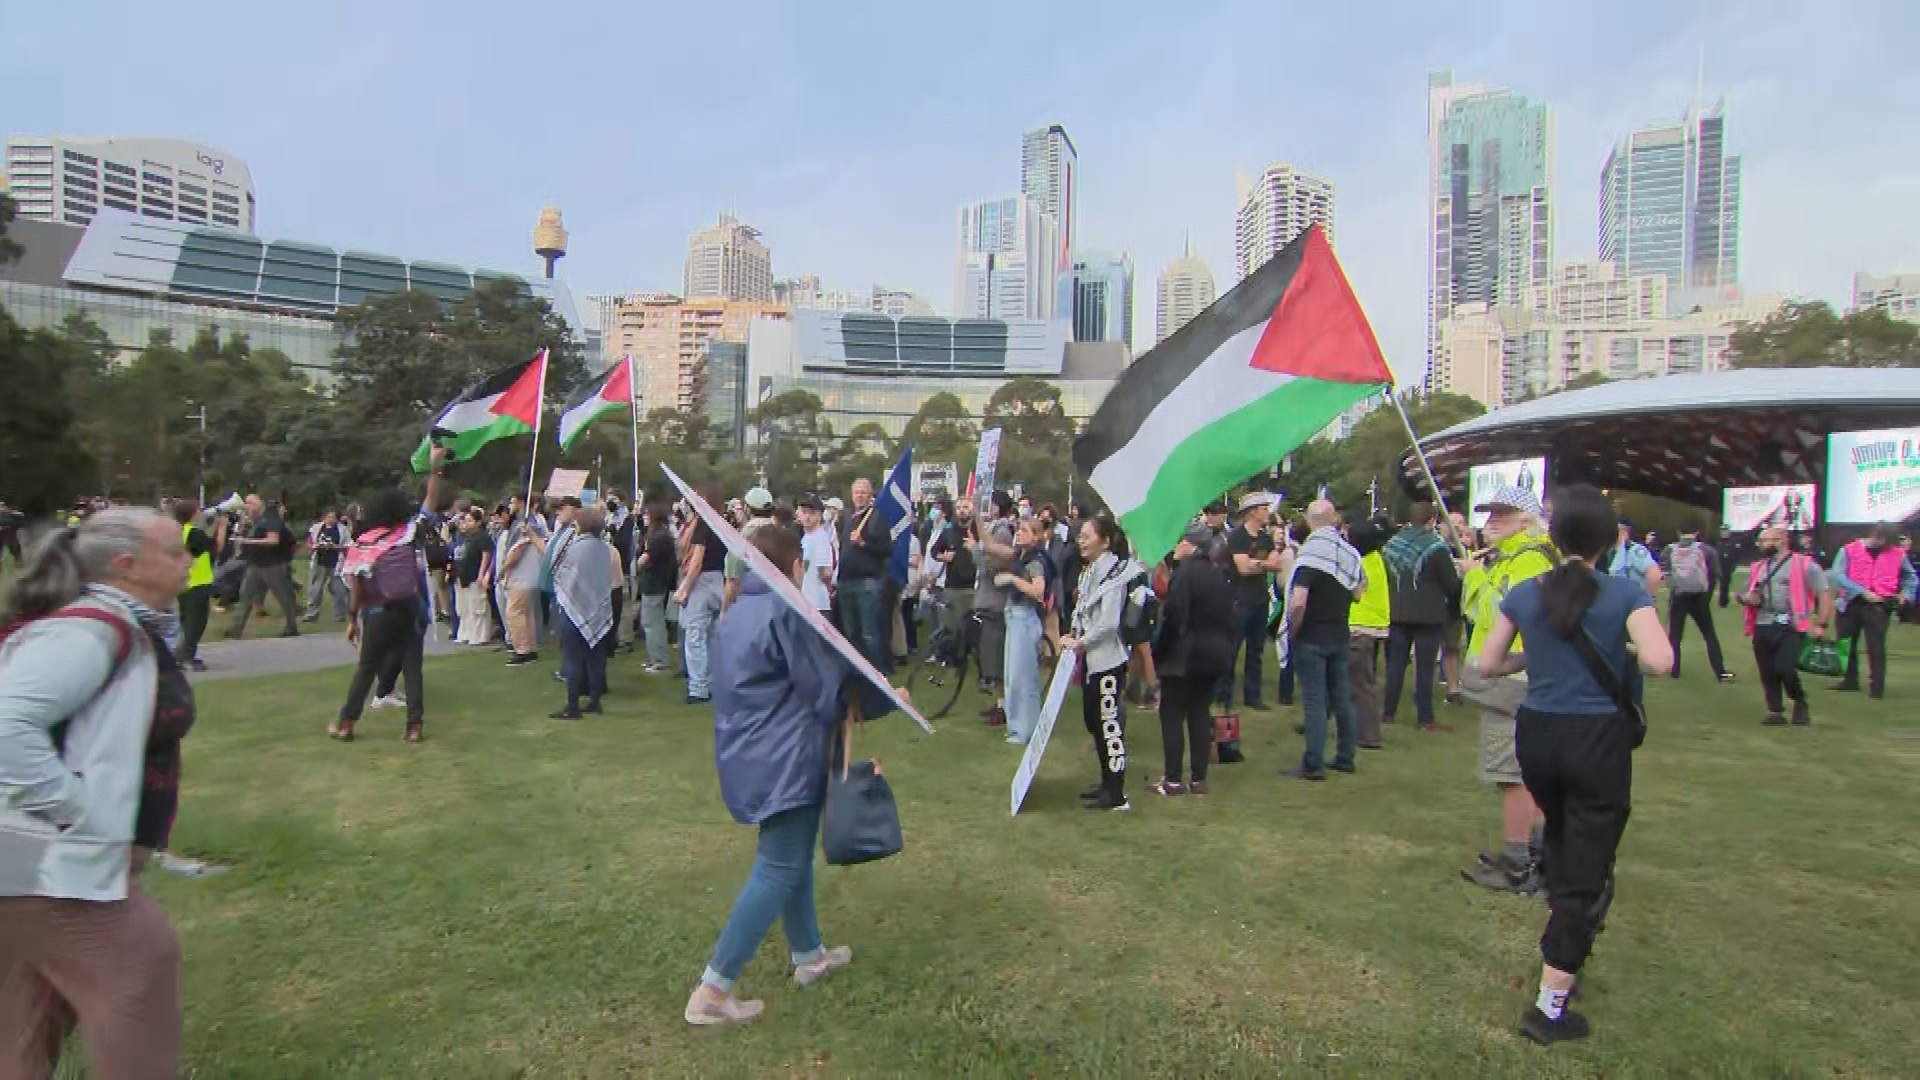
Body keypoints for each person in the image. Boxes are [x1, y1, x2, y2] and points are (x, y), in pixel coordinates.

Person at [1475, 484, 1675, 1045]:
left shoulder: (1525, 591)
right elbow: (1661, 660)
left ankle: (1566, 942)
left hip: (1538, 733)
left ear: (1555, 536)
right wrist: (1624, 647)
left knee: (1565, 835)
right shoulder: (1623, 593)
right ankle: (1551, 1002)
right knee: (1588, 864)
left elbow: (1488, 664)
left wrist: (1533, 652)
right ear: (1610, 540)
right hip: (1595, 739)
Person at [0, 507, 194, 1079]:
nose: (189, 562)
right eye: (175, 552)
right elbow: (7, 725)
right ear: (126, 565)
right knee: (143, 967)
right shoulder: (89, 630)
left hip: (38, 865)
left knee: (25, 1023)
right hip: (50, 866)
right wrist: (81, 813)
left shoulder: (119, 625)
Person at [684, 524, 896, 1028]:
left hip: (753, 753)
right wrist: (882, 696)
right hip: (785, 757)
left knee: (791, 857)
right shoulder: (785, 610)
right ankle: (714, 990)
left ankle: (809, 955)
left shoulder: (738, 611)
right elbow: (821, 692)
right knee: (779, 866)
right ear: (792, 565)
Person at [1459, 486, 1558, 894]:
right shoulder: (1520, 557)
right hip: (1513, 675)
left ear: (1526, 520)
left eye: (1502, 514)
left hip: (1512, 678)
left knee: (1511, 773)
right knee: (1521, 770)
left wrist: (1476, 575)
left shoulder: (1529, 559)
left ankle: (1520, 861)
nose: (1490, 522)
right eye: (1489, 513)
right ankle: (1537, 852)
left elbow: (1503, 609)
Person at [331, 490, 432, 743]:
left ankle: (346, 723)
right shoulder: (408, 534)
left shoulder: (362, 543)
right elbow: (430, 504)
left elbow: (356, 588)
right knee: (412, 669)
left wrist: (353, 620)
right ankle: (414, 727)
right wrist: (435, 468)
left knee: (366, 667)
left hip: (377, 611)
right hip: (409, 608)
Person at [1150, 525, 1236, 796]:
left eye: (1180, 541)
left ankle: (1173, 780)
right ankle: (1199, 779)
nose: (1176, 547)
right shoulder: (1218, 574)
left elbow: (1174, 616)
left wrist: (1159, 649)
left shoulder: (1185, 573)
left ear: (1191, 545)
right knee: (1200, 712)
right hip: (1214, 654)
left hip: (1184, 654)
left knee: (1172, 714)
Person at [1283, 500, 1365, 781]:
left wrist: (1292, 630)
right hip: (1339, 634)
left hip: (1312, 637)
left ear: (1308, 521)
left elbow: (1298, 602)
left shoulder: (1309, 555)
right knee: (1342, 698)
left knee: (1315, 702)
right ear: (1334, 519)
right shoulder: (1348, 553)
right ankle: (1345, 756)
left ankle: (1313, 763)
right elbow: (1358, 591)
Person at [1062, 515, 1134, 811]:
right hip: (1093, 662)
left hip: (1108, 661)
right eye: (1080, 535)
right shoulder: (1090, 572)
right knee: (1094, 721)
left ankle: (1116, 792)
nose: (1081, 540)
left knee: (1108, 724)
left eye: (1087, 535)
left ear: (1104, 541)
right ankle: (1106, 781)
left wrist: (1081, 642)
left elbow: (1107, 623)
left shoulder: (1114, 574)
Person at [1740, 525, 1834, 726]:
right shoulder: (1758, 567)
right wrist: (1747, 598)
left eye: (1767, 540)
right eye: (1761, 541)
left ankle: (1799, 700)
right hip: (1763, 624)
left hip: (1792, 625)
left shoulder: (1805, 565)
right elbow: (1742, 593)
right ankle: (1775, 710)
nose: (1762, 545)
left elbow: (1824, 593)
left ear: (1782, 539)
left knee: (1785, 667)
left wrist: (1822, 624)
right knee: (1767, 670)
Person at [1381, 501, 1463, 732]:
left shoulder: (1393, 545)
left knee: (1396, 665)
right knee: (1425, 668)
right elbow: (1450, 583)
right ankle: (1425, 718)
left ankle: (1388, 713)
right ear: (1431, 521)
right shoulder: (1435, 547)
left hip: (1398, 611)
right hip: (1429, 614)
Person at [1221, 493, 1288, 712]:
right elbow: (1242, 568)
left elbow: (1276, 564)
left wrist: (1256, 563)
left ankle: (1253, 696)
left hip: (1260, 600)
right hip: (1239, 600)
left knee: (1256, 652)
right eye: (1263, 508)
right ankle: (1224, 695)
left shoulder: (1265, 538)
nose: (1267, 511)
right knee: (1231, 650)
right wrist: (1263, 563)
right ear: (1252, 511)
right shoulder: (1238, 537)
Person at [1831, 523, 1913, 699]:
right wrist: (1861, 592)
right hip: (1850, 603)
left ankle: (1877, 686)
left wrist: (1905, 594)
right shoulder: (1848, 550)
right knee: (1846, 643)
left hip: (1879, 605)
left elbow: (1910, 576)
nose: (1888, 546)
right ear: (1877, 535)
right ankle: (1849, 680)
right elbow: (1838, 574)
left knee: (1875, 646)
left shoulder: (1898, 553)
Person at [550, 506, 615, 720]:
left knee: (573, 659)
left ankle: (572, 706)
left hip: (574, 609)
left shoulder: (576, 548)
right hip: (599, 608)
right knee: (596, 658)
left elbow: (559, 570)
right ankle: (595, 702)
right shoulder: (604, 548)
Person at [996, 516, 1052, 746]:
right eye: (1018, 530)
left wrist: (1011, 579)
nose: (1018, 533)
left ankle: (1024, 729)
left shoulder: (1036, 561)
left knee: (1022, 677)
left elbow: (1038, 590)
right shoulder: (1020, 556)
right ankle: (1017, 726)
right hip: (1014, 615)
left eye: (1025, 531)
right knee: (1012, 676)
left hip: (1025, 618)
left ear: (1036, 536)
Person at [675, 488, 728, 706]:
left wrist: (684, 588)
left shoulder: (702, 525)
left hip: (702, 582)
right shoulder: (723, 524)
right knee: (714, 636)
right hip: (720, 580)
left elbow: (696, 561)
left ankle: (698, 687)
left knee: (695, 634)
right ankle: (715, 683)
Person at [835, 479, 893, 673]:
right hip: (845, 582)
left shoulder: (876, 517)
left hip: (867, 582)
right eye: (856, 492)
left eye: (863, 492)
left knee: (869, 633)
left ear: (870, 496)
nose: (859, 496)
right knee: (851, 633)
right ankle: (859, 673)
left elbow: (887, 549)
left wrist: (864, 543)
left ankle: (877, 673)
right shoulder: (848, 518)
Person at [1345, 513, 1393, 750]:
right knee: (1360, 681)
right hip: (1373, 628)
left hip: (1359, 627)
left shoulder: (1360, 564)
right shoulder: (1376, 559)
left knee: (1361, 684)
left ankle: (1369, 735)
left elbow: (1353, 592)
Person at [1661, 528, 1733, 682]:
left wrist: (1674, 588)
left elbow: (1665, 572)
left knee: (1675, 635)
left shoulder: (1669, 549)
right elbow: (1718, 574)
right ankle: (1720, 671)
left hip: (1679, 596)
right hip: (1699, 598)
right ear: (1696, 532)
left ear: (1678, 532)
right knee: (1709, 634)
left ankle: (1675, 669)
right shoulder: (1706, 550)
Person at [224, 495, 300, 639]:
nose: (247, 506)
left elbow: (273, 540)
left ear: (260, 504)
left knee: (284, 597)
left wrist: (247, 541)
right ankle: (236, 629)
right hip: (256, 564)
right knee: (245, 595)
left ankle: (291, 627)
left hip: (273, 565)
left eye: (250, 503)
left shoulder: (271, 518)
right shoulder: (255, 520)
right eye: (246, 503)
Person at [972, 492, 1018, 723]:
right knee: (990, 659)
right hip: (988, 602)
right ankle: (999, 704)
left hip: (995, 603)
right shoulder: (993, 530)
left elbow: (992, 568)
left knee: (997, 660)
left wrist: (974, 550)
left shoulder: (1001, 532)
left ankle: (1005, 708)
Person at [170, 500, 221, 672]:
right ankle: (187, 658)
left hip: (183, 582)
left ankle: (181, 655)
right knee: (196, 623)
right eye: (198, 511)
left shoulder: (179, 531)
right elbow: (216, 546)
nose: (201, 513)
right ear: (192, 514)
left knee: (186, 621)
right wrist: (222, 526)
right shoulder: (195, 533)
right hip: (197, 582)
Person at [635, 503, 678, 674]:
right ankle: (653, 658)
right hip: (652, 583)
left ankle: (659, 661)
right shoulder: (655, 534)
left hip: (654, 584)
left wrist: (639, 563)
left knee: (653, 624)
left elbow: (644, 559)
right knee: (650, 623)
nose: (644, 517)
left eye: (647, 514)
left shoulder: (659, 537)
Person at [725, 487, 779, 610]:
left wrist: (725, 611)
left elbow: (732, 580)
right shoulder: (782, 536)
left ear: (747, 509)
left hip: (748, 605)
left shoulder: (743, 538)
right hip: (777, 606)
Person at [453, 508, 495, 646]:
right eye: (466, 520)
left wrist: (481, 574)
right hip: (463, 577)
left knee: (478, 607)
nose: (467, 523)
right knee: (465, 608)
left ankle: (481, 636)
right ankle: (467, 633)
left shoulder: (483, 537)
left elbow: (486, 556)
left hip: (475, 576)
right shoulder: (467, 538)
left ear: (478, 522)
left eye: (470, 520)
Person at [302, 509, 350, 623]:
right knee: (315, 590)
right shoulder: (316, 528)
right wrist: (315, 546)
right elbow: (309, 543)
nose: (331, 519)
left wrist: (336, 547)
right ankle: (311, 614)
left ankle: (339, 616)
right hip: (320, 563)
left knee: (339, 590)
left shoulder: (342, 530)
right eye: (328, 517)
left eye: (333, 517)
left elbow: (349, 545)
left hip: (336, 563)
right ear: (324, 518)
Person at [1603, 519, 1663, 598]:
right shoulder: (1610, 552)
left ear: (1624, 531)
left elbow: (1655, 574)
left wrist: (1646, 599)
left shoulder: (1635, 550)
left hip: (1634, 604)